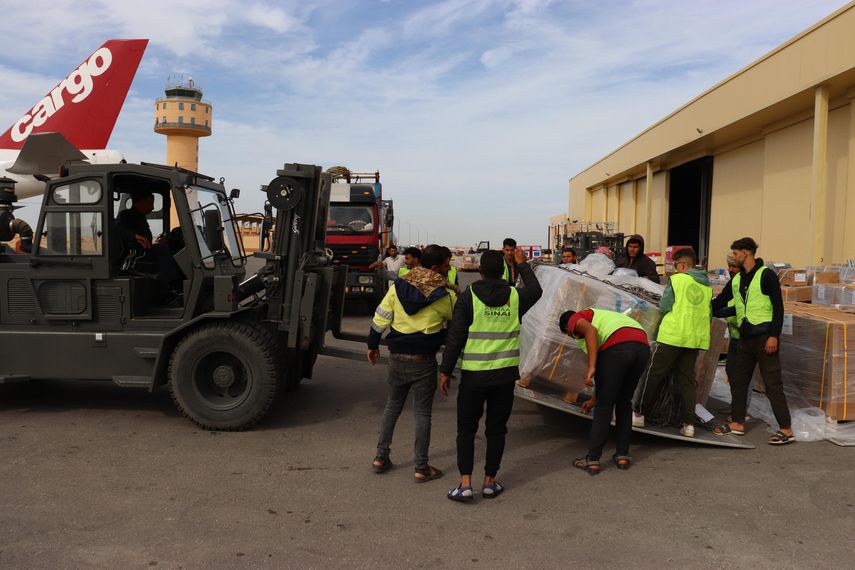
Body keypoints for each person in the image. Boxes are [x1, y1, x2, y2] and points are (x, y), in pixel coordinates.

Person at [439, 249, 542, 501]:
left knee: (466, 429)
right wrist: (523, 264)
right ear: (503, 270)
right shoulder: (516, 296)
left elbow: (455, 338)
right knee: (496, 429)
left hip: (474, 377)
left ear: (480, 271)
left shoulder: (468, 297)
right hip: (504, 377)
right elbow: (536, 290)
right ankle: (489, 482)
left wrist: (444, 370)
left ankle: (464, 484)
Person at [368, 244, 457, 482]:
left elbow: (381, 317)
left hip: (397, 358)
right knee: (422, 415)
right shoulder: (446, 295)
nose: (450, 268)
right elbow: (456, 324)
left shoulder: (399, 286)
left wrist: (372, 344)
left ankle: (380, 457)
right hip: (423, 361)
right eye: (448, 264)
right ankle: (421, 467)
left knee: (392, 408)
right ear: (437, 267)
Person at [710, 237, 794, 445]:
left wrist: (774, 335)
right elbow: (720, 301)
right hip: (745, 339)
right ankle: (737, 422)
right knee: (739, 380)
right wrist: (698, 307)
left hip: (765, 338)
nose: (733, 257)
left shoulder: (766, 276)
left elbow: (778, 307)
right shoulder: (737, 279)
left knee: (773, 384)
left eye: (736, 254)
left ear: (745, 253)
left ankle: (786, 428)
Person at [558, 308, 650, 475]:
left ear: (567, 329)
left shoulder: (575, 318)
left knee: (605, 407)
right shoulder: (606, 319)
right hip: (642, 347)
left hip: (618, 346)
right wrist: (593, 400)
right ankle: (622, 455)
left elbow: (590, 331)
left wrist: (591, 367)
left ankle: (592, 459)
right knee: (624, 402)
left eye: (570, 334)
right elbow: (605, 381)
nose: (574, 336)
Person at [635, 248, 711, 437]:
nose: (675, 269)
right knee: (687, 381)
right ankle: (688, 425)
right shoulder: (705, 287)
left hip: (672, 336)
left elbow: (664, 305)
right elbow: (709, 314)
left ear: (683, 265)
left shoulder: (678, 280)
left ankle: (638, 413)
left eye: (676, 265)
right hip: (693, 340)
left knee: (654, 373)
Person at [115, 190, 180, 303]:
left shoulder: (140, 217)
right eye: (150, 203)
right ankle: (167, 289)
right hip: (133, 256)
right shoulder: (125, 215)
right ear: (139, 202)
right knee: (162, 250)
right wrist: (135, 236)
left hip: (143, 252)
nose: (153, 207)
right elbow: (117, 230)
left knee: (171, 249)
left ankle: (174, 287)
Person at [712, 256, 754, 414]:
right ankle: (736, 407)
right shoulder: (732, 284)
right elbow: (722, 300)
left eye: (734, 267)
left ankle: (742, 411)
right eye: (729, 266)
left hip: (747, 336)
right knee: (730, 371)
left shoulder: (746, 283)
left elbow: (738, 307)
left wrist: (719, 312)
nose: (731, 270)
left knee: (745, 377)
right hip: (735, 336)